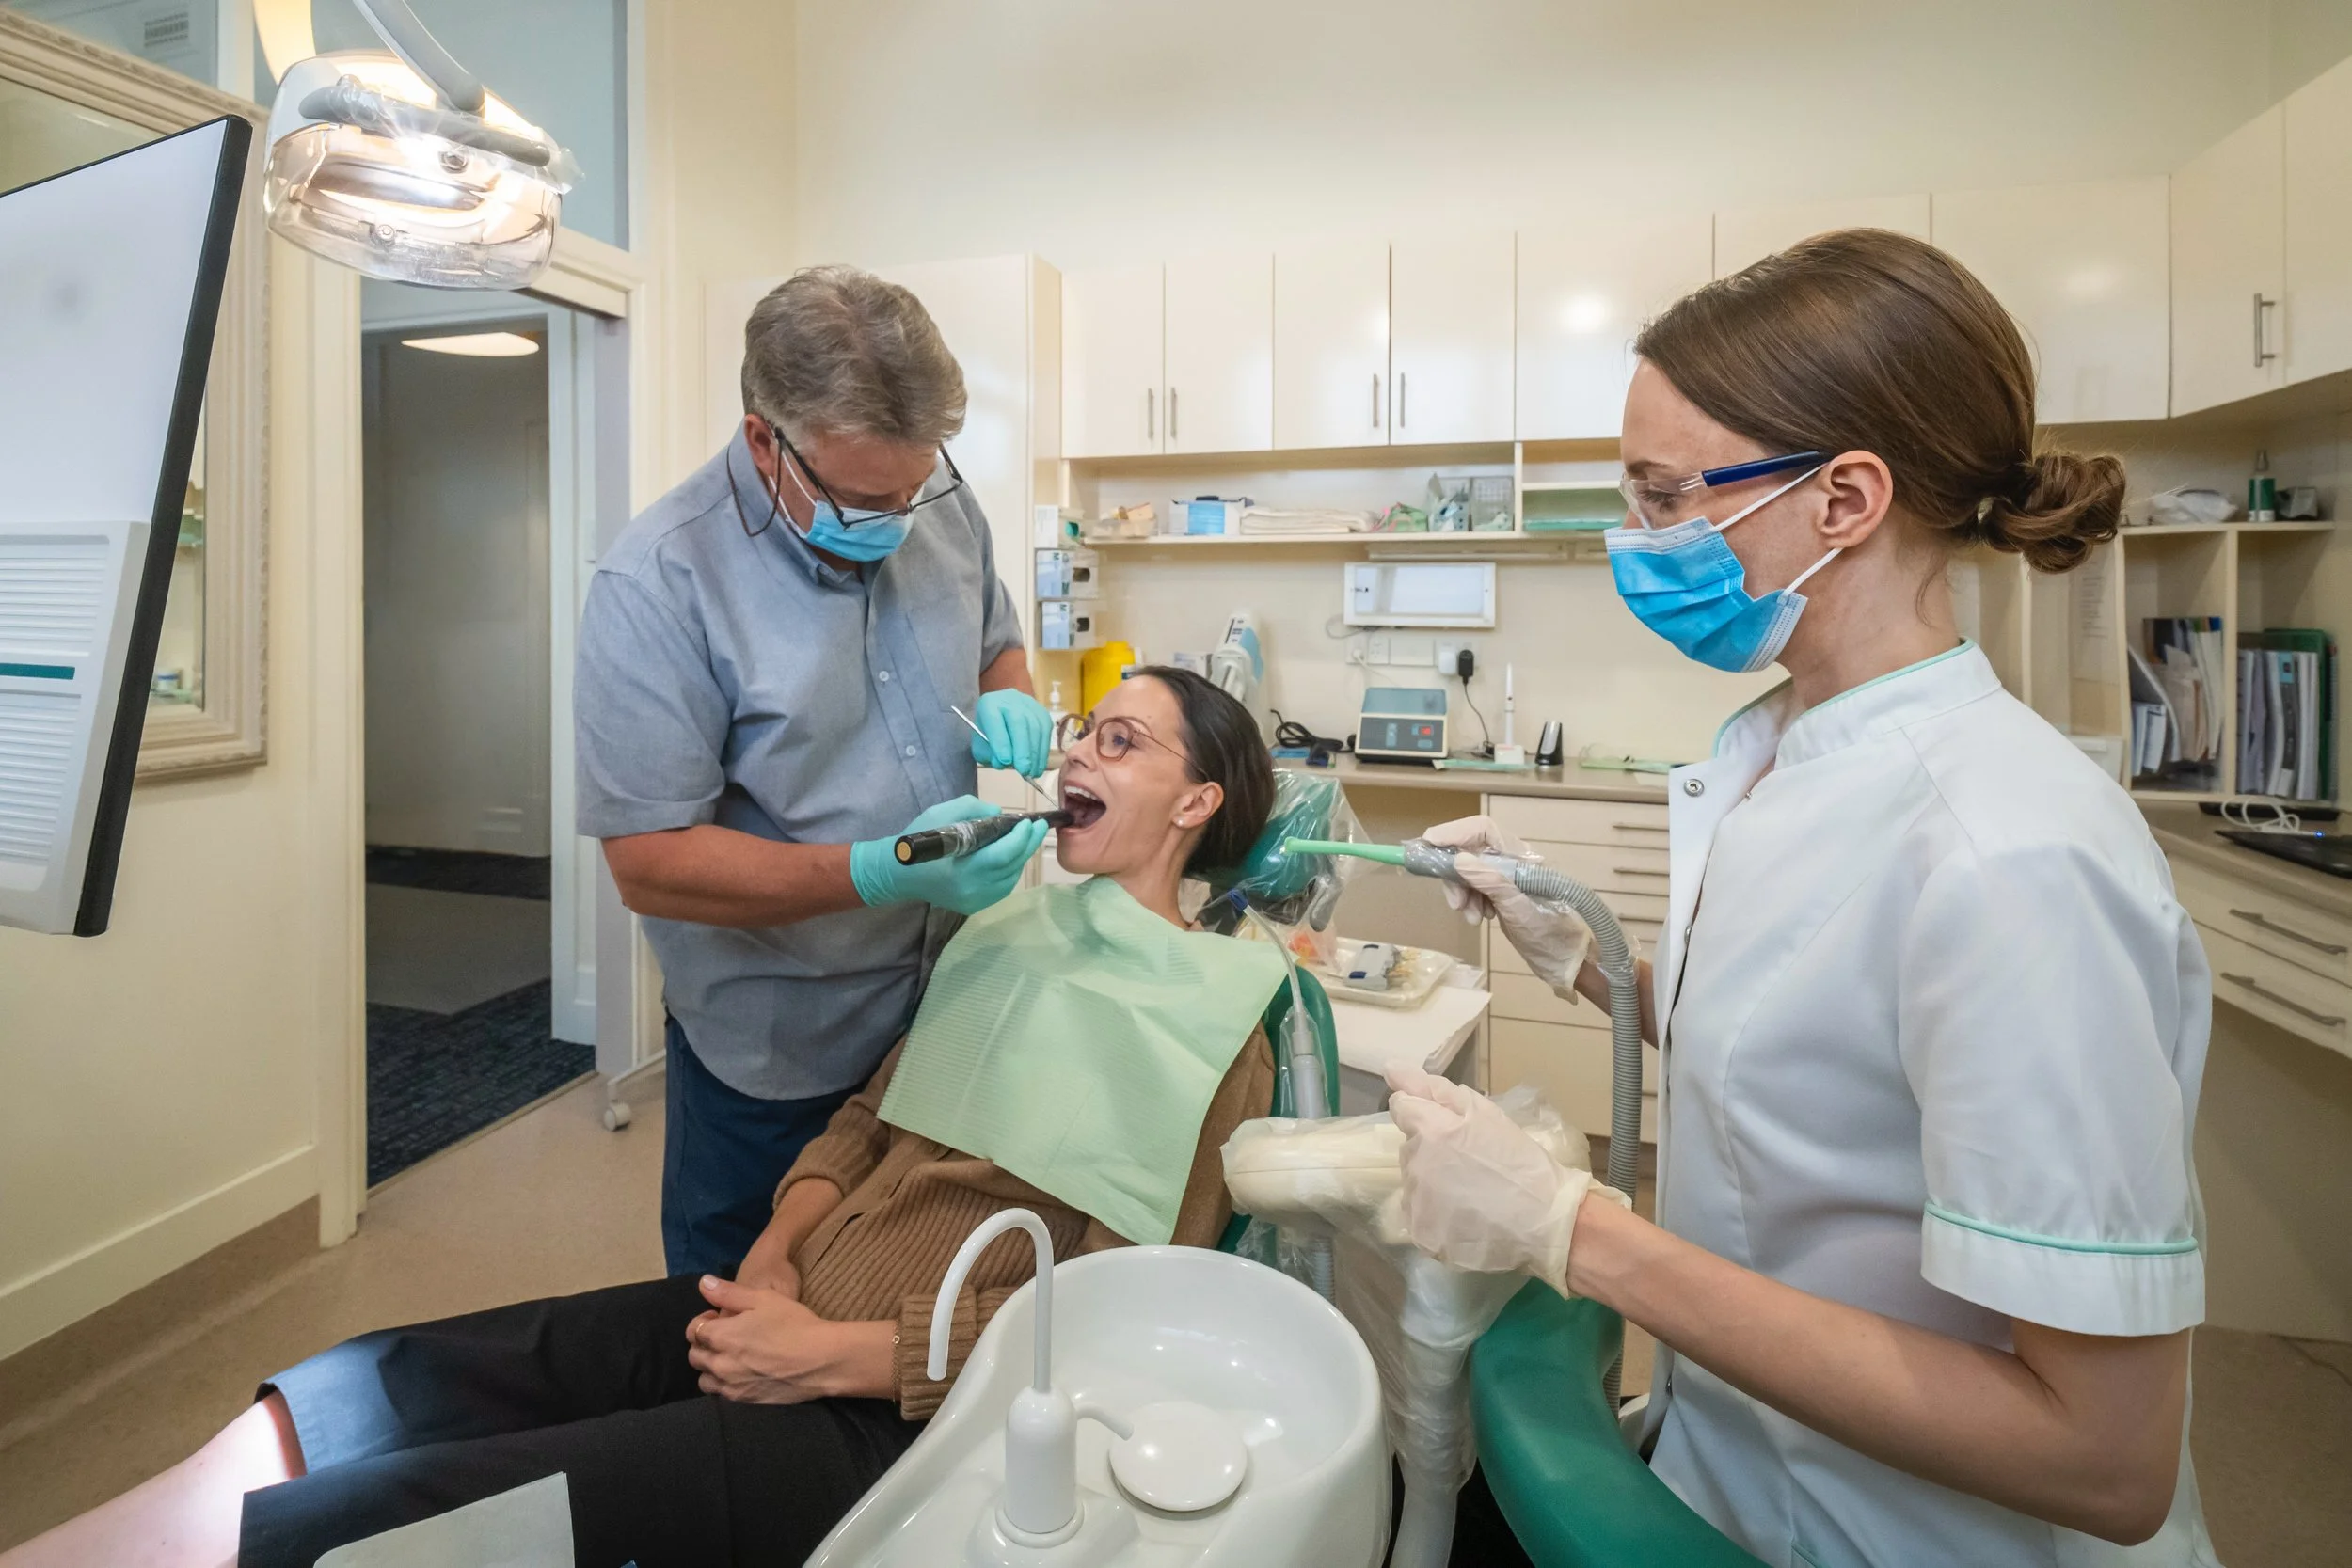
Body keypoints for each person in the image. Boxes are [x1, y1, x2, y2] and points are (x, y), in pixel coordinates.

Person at [4, 670, 1282, 1568]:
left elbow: (1115, 1315)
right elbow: (865, 1116)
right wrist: (777, 1252)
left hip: (905, 1410)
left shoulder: (1221, 1027)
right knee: (407, 1370)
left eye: (1120, 743)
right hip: (766, 1305)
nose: (1074, 756)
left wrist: (838, 1356)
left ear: (1196, 804)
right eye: (1081, 730)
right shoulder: (1006, 930)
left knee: (424, 1508)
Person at [1390, 230, 2219, 1566]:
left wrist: (1574, 1230)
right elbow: (1815, 1080)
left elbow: (2104, 1452)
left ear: (1845, 500)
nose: (1637, 539)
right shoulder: (1782, 747)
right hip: (1739, 1472)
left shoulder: (2011, 853)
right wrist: (1583, 954)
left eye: (1666, 498)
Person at [574, 264, 1057, 1278]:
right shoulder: (657, 583)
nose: (895, 517)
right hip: (780, 1043)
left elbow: (995, 642)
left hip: (947, 1002)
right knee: (737, 1326)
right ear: (765, 440)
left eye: (913, 486)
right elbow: (649, 862)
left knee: (901, 1280)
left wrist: (1013, 690)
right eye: (861, 496)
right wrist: (878, 870)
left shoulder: (941, 507)